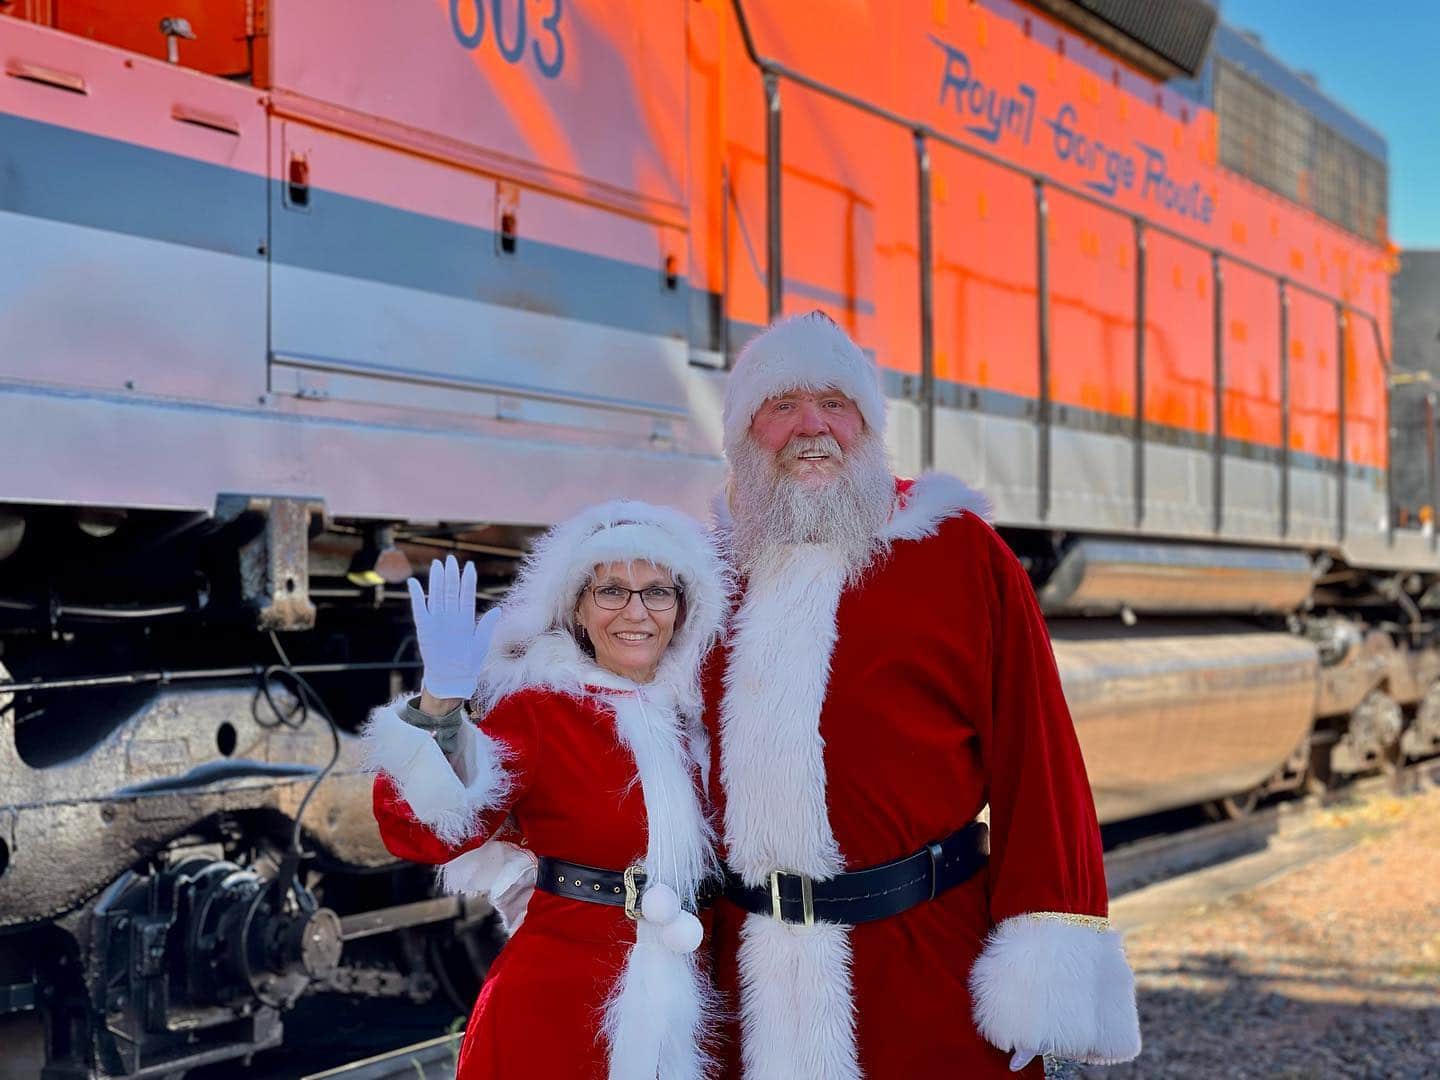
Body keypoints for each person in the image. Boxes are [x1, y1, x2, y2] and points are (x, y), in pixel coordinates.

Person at [701, 311, 1142, 1078]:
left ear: (869, 425)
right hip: (744, 989)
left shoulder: (958, 553)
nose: (812, 428)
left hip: (924, 967)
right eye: (781, 407)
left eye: (836, 405)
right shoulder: (699, 572)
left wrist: (1044, 961)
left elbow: (1037, 761)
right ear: (744, 434)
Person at [360, 502, 728, 1080]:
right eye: (611, 591)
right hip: (558, 1014)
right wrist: (439, 704)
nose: (636, 612)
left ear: (683, 609)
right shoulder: (540, 711)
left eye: (658, 591)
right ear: (578, 609)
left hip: (689, 1009)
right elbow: (425, 831)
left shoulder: (702, 721)